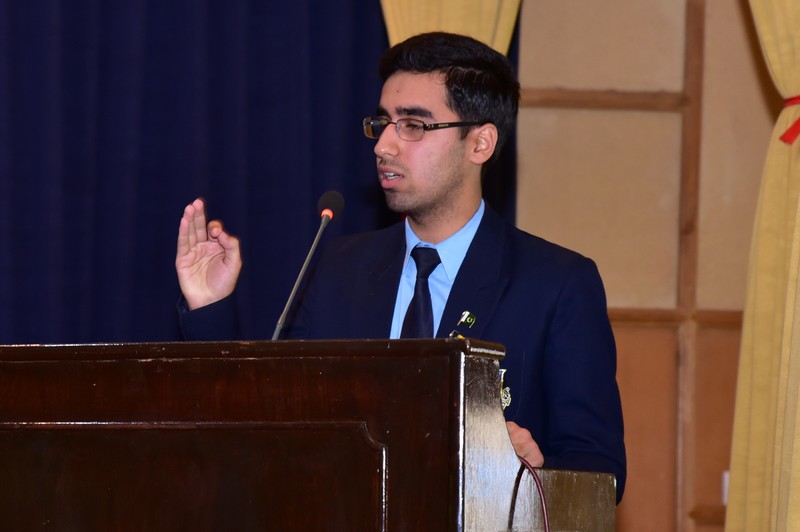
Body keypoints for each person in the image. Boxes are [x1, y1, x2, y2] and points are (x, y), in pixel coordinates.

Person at [176, 31, 626, 502]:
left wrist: (534, 472)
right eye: (383, 123)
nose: (384, 146)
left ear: (480, 142)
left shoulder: (555, 284)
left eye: (413, 125)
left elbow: (601, 472)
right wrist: (210, 308)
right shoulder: (339, 269)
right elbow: (266, 418)